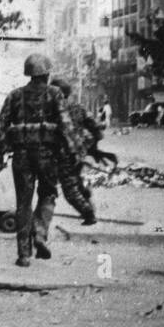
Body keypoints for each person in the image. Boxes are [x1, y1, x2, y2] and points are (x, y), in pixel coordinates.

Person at [0, 53, 85, 266]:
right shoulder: (55, 93)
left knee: (23, 203)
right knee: (48, 194)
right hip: (48, 156)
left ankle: (23, 255)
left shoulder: (14, 96)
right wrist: (76, 153)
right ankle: (39, 233)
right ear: (46, 73)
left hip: (21, 157)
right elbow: (66, 125)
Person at [50, 77, 99, 226]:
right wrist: (92, 148)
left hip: (63, 154)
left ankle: (88, 213)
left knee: (70, 189)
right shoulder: (78, 107)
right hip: (78, 153)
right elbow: (95, 128)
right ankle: (88, 204)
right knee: (75, 182)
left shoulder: (54, 109)